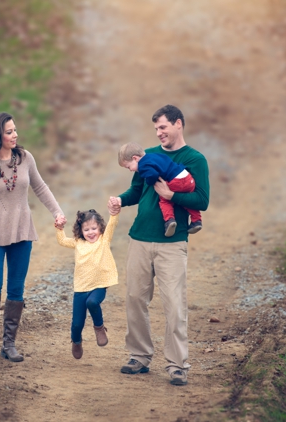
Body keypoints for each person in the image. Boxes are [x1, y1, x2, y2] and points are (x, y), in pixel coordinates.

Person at [108, 104, 210, 386]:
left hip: (172, 243)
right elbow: (136, 191)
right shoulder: (147, 156)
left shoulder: (195, 159)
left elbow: (202, 200)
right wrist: (120, 199)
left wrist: (171, 195)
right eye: (156, 129)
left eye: (163, 127)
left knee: (175, 305)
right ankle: (139, 356)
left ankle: (177, 365)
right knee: (135, 299)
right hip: (140, 238)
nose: (159, 132)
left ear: (179, 124)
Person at [0, 112, 66, 362]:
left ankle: (9, 344)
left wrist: (57, 211)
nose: (15, 135)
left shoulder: (25, 158)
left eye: (15, 130)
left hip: (22, 231)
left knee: (16, 287)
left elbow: (40, 186)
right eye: (9, 131)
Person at [55, 209, 119, 359]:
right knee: (77, 324)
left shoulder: (104, 240)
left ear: (100, 229)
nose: (91, 232)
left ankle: (99, 327)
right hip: (81, 288)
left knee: (92, 302)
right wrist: (59, 228)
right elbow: (62, 241)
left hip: (99, 284)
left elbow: (112, 224)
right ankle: (76, 341)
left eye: (94, 229)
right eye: (86, 229)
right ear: (81, 231)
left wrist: (114, 212)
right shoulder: (78, 243)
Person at [118, 142, 202, 237]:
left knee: (164, 200)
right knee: (185, 200)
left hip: (175, 181)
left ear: (135, 158)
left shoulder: (143, 165)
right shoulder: (155, 156)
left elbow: (153, 174)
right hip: (187, 178)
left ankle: (170, 220)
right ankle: (196, 220)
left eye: (128, 167)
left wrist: (149, 182)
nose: (130, 170)